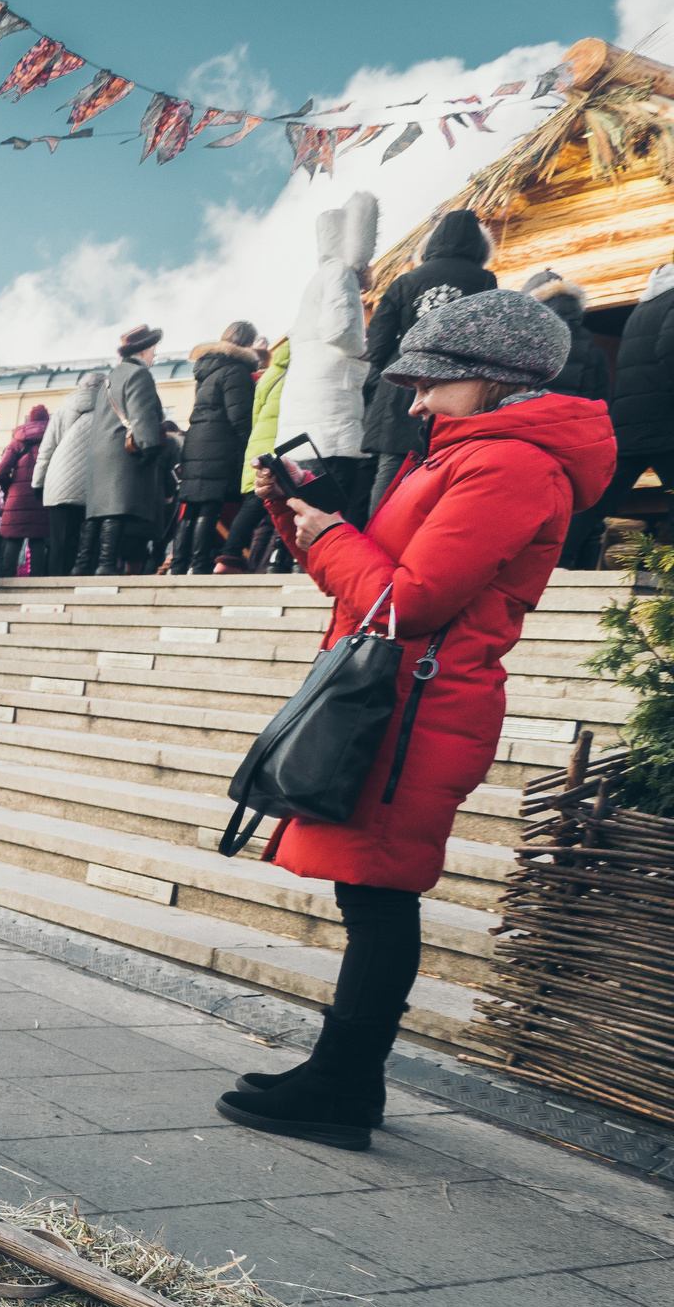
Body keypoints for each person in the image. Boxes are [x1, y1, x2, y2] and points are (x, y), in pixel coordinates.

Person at [220, 289, 610, 1150]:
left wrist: (330, 536)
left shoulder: (510, 464)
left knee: (381, 895)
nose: (417, 399)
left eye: (436, 382)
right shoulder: (463, 454)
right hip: (399, 695)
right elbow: (377, 586)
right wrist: (305, 518)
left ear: (495, 381)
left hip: (423, 705)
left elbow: (410, 602)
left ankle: (345, 1084)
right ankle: (344, 1080)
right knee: (371, 892)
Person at [362, 210, 495, 517]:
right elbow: (488, 334)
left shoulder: (405, 280)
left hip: (402, 379)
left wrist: (377, 382)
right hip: (457, 380)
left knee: (391, 465)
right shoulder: (485, 279)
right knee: (446, 462)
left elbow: (379, 339)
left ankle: (377, 541)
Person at [277, 193, 379, 528]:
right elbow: (339, 329)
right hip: (331, 418)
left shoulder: (318, 278)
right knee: (332, 514)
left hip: (306, 417)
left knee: (308, 507)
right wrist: (365, 353)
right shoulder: (341, 273)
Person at [525, 272, 612, 570]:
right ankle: (568, 567)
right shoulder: (595, 351)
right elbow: (601, 404)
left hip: (530, 436)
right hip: (574, 441)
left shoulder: (528, 344)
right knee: (573, 509)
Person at [77, 325, 167, 576]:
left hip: (101, 450)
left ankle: (82, 564)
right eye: (153, 350)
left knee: (98, 511)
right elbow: (142, 414)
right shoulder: (139, 375)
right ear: (145, 350)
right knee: (116, 508)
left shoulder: (112, 376)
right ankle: (106, 565)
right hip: (122, 452)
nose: (154, 356)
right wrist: (150, 446)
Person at [171, 323, 259, 574]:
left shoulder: (206, 369)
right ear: (248, 343)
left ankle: (178, 566)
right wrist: (249, 445)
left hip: (197, 443)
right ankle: (199, 566)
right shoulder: (236, 370)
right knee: (209, 507)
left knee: (191, 508)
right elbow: (239, 417)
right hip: (219, 445)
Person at [606, 256, 674, 517]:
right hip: (665, 423)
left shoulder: (642, 308)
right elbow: (669, 350)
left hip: (629, 423)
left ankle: (563, 553)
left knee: (597, 502)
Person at [218, 337, 292, 573]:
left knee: (256, 504)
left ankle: (244, 561)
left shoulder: (268, 376)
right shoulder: (296, 375)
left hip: (257, 442)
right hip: (278, 443)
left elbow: (255, 412)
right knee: (265, 505)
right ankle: (232, 557)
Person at [34, 369, 104, 577]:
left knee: (59, 542)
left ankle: (55, 587)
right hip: (92, 484)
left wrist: (38, 482)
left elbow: (46, 449)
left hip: (58, 482)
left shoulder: (62, 411)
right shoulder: (107, 411)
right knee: (88, 542)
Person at [0, 403, 50, 576]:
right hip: (41, 495)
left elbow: (0, 470)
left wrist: (9, 489)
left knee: (13, 538)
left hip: (17, 496)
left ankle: (7, 579)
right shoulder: (53, 437)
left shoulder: (17, 440)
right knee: (38, 539)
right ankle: (36, 581)